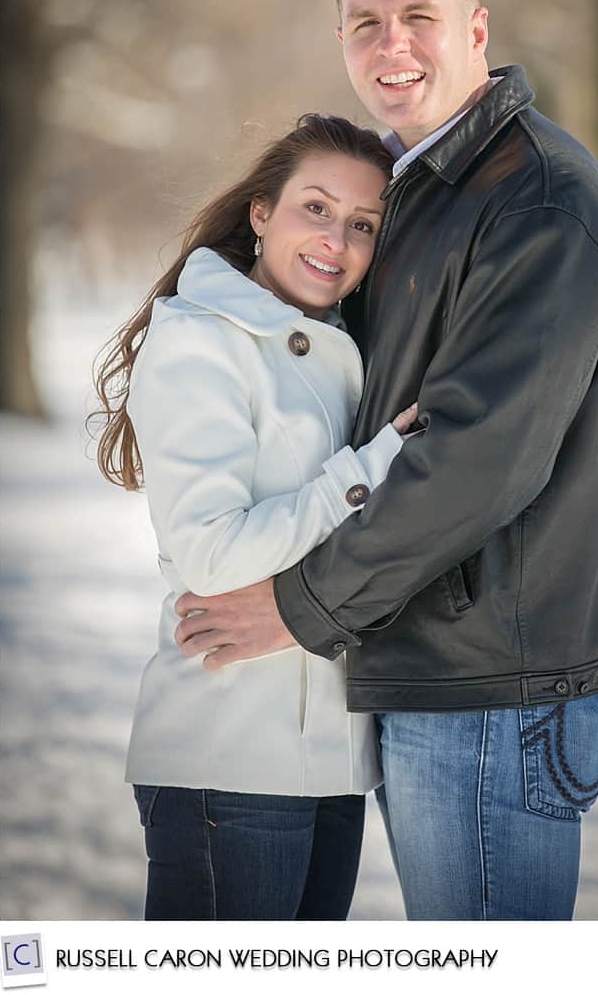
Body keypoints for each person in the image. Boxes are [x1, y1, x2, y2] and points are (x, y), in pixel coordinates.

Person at [170, 0, 598, 922]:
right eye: (364, 22)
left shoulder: (540, 207)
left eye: (418, 17)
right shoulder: (413, 186)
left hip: (493, 682)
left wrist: (300, 608)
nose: (391, 46)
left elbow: (480, 463)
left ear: (477, 29)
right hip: (432, 654)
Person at [93, 113, 419, 920]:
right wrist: (366, 470)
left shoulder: (344, 344)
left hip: (331, 763)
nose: (335, 240)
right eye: (315, 207)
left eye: (362, 224)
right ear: (261, 212)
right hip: (225, 754)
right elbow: (211, 556)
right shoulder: (202, 341)